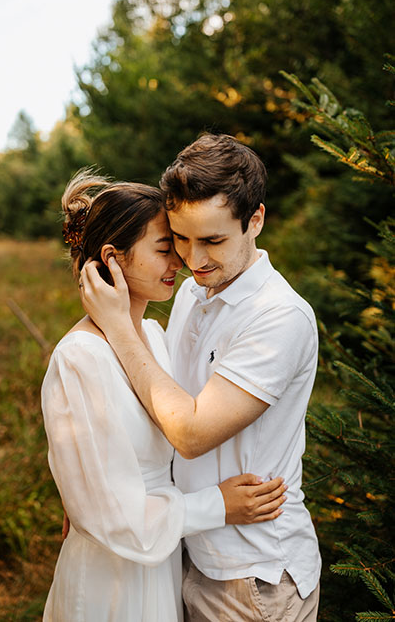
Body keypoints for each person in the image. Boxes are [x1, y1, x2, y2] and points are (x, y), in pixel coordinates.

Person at [79, 133, 322, 622]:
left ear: (255, 220)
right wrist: (90, 485)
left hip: (253, 576)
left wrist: (117, 325)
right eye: (181, 239)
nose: (193, 260)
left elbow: (189, 433)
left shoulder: (279, 317)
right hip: (185, 548)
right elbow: (158, 398)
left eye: (212, 240)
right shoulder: (193, 293)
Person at [41, 170, 287, 622]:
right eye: (164, 248)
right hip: (112, 575)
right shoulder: (79, 358)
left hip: (162, 560)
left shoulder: (154, 339)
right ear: (113, 258)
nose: (182, 261)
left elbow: (180, 424)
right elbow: (112, 517)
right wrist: (219, 505)